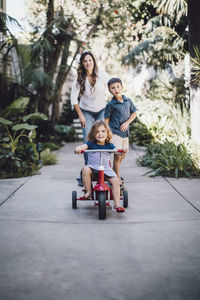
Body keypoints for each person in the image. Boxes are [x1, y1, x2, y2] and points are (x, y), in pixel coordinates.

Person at [74, 120, 125, 213]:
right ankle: (89, 191)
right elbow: (83, 146)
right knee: (85, 169)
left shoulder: (109, 145)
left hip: (106, 170)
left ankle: (117, 204)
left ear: (107, 133)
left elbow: (116, 151)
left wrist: (122, 150)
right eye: (97, 131)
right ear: (93, 134)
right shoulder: (90, 144)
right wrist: (79, 148)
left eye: (103, 131)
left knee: (115, 180)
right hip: (92, 169)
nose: (100, 134)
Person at [70, 51, 109, 164]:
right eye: (85, 61)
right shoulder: (79, 79)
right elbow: (74, 99)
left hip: (101, 110)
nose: (88, 63)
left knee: (102, 136)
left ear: (94, 62)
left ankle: (102, 165)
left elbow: (112, 87)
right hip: (86, 111)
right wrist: (80, 115)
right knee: (88, 138)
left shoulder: (102, 75)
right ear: (82, 64)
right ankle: (89, 166)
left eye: (90, 60)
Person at [105, 78, 137, 184]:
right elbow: (106, 119)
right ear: (110, 91)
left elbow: (134, 113)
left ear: (122, 87)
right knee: (117, 155)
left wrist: (127, 122)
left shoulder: (128, 101)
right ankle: (116, 177)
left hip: (125, 133)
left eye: (118, 87)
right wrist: (108, 133)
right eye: (113, 88)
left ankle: (113, 171)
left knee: (123, 153)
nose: (116, 89)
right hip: (115, 133)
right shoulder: (111, 104)